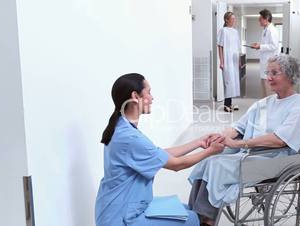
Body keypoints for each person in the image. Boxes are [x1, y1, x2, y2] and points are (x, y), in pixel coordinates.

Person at [188, 55, 300, 226]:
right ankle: (195, 215)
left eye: (274, 73)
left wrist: (239, 144)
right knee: (208, 157)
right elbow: (239, 127)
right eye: (268, 72)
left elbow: (279, 141)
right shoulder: (264, 103)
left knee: (216, 165)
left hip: (275, 158)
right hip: (252, 152)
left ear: (290, 75)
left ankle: (207, 219)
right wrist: (222, 136)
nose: (269, 78)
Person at [95, 73, 226, 226]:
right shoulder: (130, 138)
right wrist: (211, 151)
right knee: (193, 219)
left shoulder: (122, 127)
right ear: (135, 96)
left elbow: (159, 154)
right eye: (149, 92)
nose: (152, 98)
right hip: (122, 217)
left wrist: (199, 142)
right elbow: (176, 165)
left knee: (188, 210)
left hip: (118, 207)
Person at [251, 9, 280, 98]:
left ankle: (271, 108)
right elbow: (266, 45)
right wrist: (259, 46)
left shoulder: (272, 30)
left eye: (260, 19)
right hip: (265, 62)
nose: (259, 21)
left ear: (266, 18)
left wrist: (261, 46)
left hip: (269, 63)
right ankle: (266, 107)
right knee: (264, 88)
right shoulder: (265, 30)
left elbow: (274, 46)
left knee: (269, 89)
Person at [217, 11, 241, 112]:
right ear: (226, 20)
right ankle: (226, 105)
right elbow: (220, 46)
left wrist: (239, 61)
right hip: (227, 60)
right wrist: (221, 61)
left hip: (234, 60)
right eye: (232, 19)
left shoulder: (235, 31)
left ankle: (230, 104)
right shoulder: (223, 30)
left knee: (233, 82)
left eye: (234, 19)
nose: (234, 21)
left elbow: (237, 47)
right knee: (228, 81)